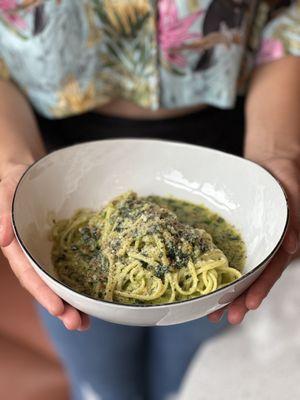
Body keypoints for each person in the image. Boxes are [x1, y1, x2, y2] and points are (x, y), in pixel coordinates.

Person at [0, 1, 299, 399]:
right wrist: (10, 165)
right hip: (51, 162)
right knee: (95, 367)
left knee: (188, 359)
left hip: (236, 151)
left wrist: (280, 153)